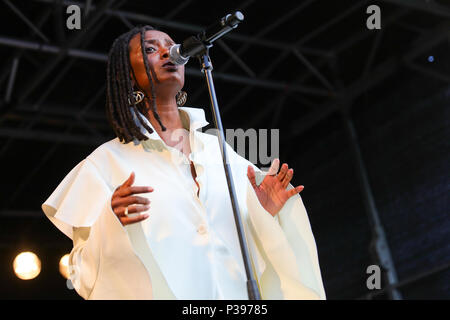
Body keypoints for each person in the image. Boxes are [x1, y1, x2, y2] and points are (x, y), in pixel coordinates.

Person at [41, 25, 326, 300]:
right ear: (127, 76)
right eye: (151, 49)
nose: (169, 53)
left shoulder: (219, 151)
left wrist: (263, 214)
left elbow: (241, 253)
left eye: (172, 46)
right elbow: (81, 274)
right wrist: (110, 223)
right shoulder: (105, 164)